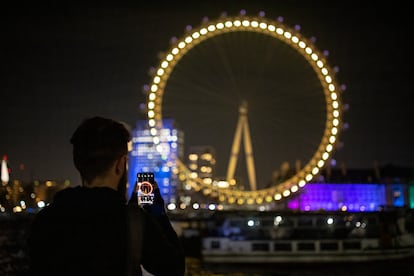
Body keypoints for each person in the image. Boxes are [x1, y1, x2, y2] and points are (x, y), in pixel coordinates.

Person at [27, 116, 186, 276]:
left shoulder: (45, 219)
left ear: (77, 163)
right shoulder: (132, 221)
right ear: (120, 164)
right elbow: (173, 268)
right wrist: (157, 213)